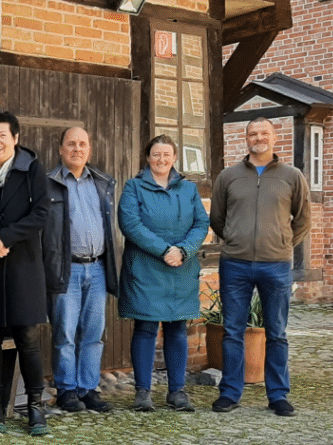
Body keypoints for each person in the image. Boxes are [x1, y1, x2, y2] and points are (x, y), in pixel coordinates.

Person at [209, 117, 311, 416]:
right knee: (232, 331)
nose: (258, 138)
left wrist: (281, 243)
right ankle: (229, 392)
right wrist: (238, 241)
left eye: (264, 133)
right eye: (253, 133)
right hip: (235, 265)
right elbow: (218, 218)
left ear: (274, 137)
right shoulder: (228, 176)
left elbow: (303, 219)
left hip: (276, 265)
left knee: (276, 332)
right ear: (246, 139)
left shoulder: (292, 176)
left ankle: (278, 395)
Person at [0, 112, 50, 436]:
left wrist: (6, 237)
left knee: (27, 338)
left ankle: (35, 406)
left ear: (15, 138)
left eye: (2, 135)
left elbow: (41, 213)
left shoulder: (31, 167)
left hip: (23, 264)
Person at [117, 135, 209, 412]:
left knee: (177, 328)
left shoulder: (189, 189)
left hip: (181, 267)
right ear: (148, 157)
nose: (161, 159)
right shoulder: (134, 187)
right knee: (145, 328)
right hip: (146, 268)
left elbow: (201, 223)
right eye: (156, 154)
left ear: (174, 157)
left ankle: (177, 392)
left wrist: (183, 250)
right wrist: (164, 250)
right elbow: (130, 224)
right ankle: (142, 392)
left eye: (166, 154)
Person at [44, 127, 117, 414]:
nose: (77, 149)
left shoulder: (100, 183)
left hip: (97, 268)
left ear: (89, 149)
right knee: (64, 333)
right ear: (61, 149)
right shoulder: (49, 184)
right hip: (67, 268)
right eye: (71, 144)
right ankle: (67, 390)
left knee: (94, 333)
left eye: (82, 144)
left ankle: (88, 388)